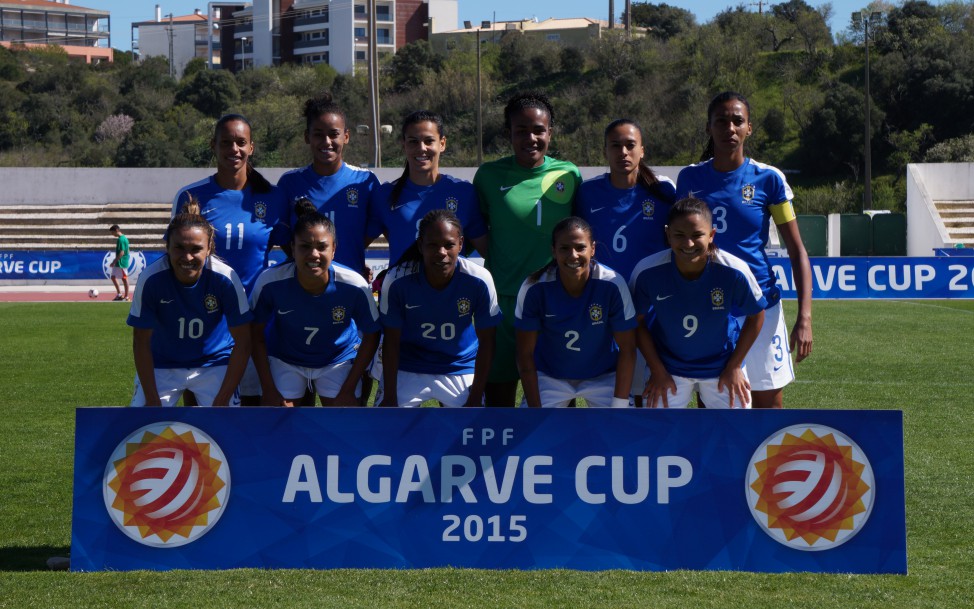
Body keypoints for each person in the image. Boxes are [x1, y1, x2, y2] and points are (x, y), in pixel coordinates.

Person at [676, 91, 812, 409]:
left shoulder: (769, 179)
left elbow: (797, 250)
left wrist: (804, 317)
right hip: (709, 307)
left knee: (768, 406)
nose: (730, 128)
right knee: (714, 406)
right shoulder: (690, 178)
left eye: (738, 121)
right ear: (709, 127)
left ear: (749, 128)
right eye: (721, 121)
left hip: (761, 305)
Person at [172, 113, 288, 405]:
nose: (233, 149)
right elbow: (177, 261)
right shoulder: (191, 197)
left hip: (256, 322)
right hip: (206, 322)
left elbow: (293, 259)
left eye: (240, 142)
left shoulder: (273, 198)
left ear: (251, 147)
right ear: (213, 145)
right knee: (203, 414)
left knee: (254, 409)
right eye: (226, 142)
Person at [474, 91, 582, 406]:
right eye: (521, 130)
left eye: (538, 130)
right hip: (504, 300)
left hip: (554, 301)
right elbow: (477, 232)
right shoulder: (488, 176)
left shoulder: (569, 174)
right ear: (508, 133)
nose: (530, 138)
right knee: (499, 398)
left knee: (558, 396)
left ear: (550, 132)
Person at [629, 198, 767, 409]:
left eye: (697, 235)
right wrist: (657, 370)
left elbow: (757, 315)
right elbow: (636, 322)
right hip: (668, 367)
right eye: (679, 235)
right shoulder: (647, 271)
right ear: (667, 234)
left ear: (711, 235)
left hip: (722, 365)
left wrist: (735, 365)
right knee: (657, 427)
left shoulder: (734, 270)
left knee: (736, 427)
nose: (688, 244)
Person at [577, 118, 676, 406]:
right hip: (605, 303)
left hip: (651, 305)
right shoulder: (587, 193)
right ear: (605, 151)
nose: (623, 152)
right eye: (615, 146)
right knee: (611, 390)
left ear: (642, 150)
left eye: (630, 145)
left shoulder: (663, 191)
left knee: (652, 392)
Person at [249, 201, 380, 407]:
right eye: (305, 246)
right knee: (278, 417)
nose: (314, 254)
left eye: (322, 247)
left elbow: (372, 335)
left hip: (337, 359)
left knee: (343, 417)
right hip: (286, 359)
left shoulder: (354, 284)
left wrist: (348, 388)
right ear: (292, 248)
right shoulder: (270, 282)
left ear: (334, 249)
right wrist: (268, 388)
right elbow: (253, 333)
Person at [127, 199, 252, 407]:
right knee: (144, 421)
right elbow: (140, 341)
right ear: (167, 247)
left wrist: (223, 398)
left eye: (196, 249)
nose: (187, 257)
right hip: (162, 363)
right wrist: (152, 398)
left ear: (209, 248)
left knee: (226, 422)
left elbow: (244, 341)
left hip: (214, 362)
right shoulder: (151, 278)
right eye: (179, 248)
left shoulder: (225, 278)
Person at [378, 210, 501, 408]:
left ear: (461, 244)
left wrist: (476, 397)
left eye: (449, 245)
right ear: (421, 245)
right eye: (432, 245)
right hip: (408, 365)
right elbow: (391, 341)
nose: (441, 252)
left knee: (470, 425)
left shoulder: (479, 279)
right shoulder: (397, 279)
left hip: (459, 365)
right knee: (389, 423)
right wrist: (390, 397)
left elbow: (487, 341)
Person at [515, 217, 636, 408]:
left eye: (580, 247)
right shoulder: (534, 288)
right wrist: (535, 410)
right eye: (564, 248)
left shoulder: (612, 284)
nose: (573, 255)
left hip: (603, 376)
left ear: (592, 249)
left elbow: (628, 348)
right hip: (550, 376)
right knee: (534, 427)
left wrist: (619, 406)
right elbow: (524, 353)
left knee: (622, 425)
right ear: (553, 251)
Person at [278, 92, 379, 279]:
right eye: (318, 134)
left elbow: (369, 232)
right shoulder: (289, 183)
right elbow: (285, 238)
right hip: (303, 286)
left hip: (350, 284)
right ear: (307, 137)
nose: (326, 142)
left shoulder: (365, 181)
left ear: (346, 136)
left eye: (334, 134)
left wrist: (348, 257)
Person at [368, 110, 488, 265]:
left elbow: (489, 252)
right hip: (401, 282)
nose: (421, 148)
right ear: (404, 145)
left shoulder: (464, 193)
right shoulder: (385, 195)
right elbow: (354, 247)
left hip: (453, 282)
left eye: (429, 141)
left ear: (442, 144)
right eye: (413, 141)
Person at [108, 224, 131, 301]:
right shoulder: (123, 238)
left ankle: (126, 297)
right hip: (120, 262)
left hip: (121, 262)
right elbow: (128, 250)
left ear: (116, 230)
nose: (112, 234)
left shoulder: (121, 239)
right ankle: (119, 295)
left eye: (112, 232)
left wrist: (114, 261)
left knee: (124, 278)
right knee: (113, 277)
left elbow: (122, 252)